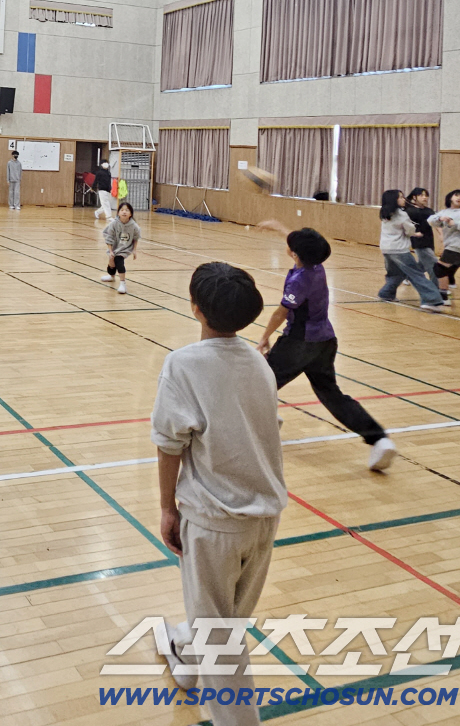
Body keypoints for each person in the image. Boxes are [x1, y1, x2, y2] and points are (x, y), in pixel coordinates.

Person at [152, 262, 286, 724]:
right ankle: (185, 659)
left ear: (195, 308)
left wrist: (168, 508)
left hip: (213, 523)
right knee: (223, 623)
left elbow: (170, 445)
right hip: (265, 519)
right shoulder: (259, 363)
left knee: (221, 643)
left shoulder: (183, 364)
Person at [255, 223, 397, 470]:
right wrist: (277, 227)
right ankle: (379, 439)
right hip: (325, 342)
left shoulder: (299, 280)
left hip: (299, 343)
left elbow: (281, 312)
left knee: (258, 380)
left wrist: (264, 337)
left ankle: (265, 422)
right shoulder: (317, 265)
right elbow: (299, 243)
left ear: (295, 254)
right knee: (331, 394)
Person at [377, 190, 446, 309]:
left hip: (386, 248)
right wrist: (415, 233)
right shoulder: (401, 214)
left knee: (396, 274)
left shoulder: (385, 213)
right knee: (417, 274)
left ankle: (386, 293)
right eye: (401, 197)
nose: (404, 199)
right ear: (394, 200)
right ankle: (431, 300)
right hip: (399, 249)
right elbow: (409, 230)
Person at [102, 201, 140, 294]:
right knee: (112, 261)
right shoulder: (114, 224)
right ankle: (111, 276)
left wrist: (134, 250)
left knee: (119, 261)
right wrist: (110, 251)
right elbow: (109, 236)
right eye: (122, 210)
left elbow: (136, 238)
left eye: (127, 210)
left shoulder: (134, 226)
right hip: (115, 247)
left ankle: (123, 283)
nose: (124, 212)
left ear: (130, 214)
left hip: (125, 248)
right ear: (118, 213)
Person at [406, 187, 438, 280]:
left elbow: (436, 224)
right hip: (418, 241)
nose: (424, 197)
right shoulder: (410, 210)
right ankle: (436, 287)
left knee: (422, 264)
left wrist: (441, 237)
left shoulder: (429, 211)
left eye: (426, 195)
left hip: (429, 239)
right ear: (414, 197)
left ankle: (408, 276)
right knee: (433, 264)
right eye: (421, 195)